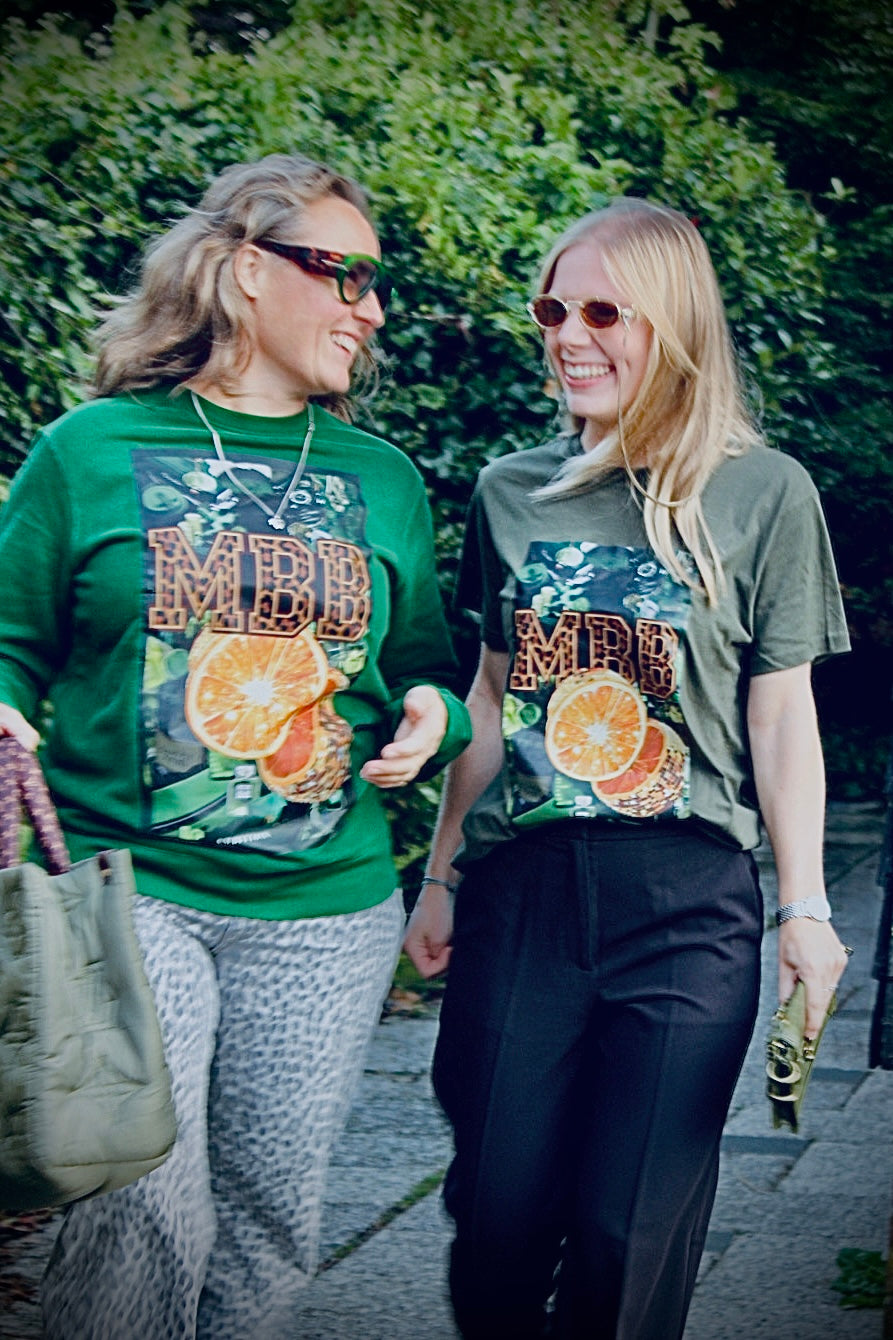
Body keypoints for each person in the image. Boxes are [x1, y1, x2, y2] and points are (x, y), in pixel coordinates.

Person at [0, 151, 471, 1339]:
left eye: (373, 283)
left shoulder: (382, 479)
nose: (371, 308)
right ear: (247, 270)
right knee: (140, 1204)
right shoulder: (88, 449)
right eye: (345, 275)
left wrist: (433, 714)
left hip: (326, 908)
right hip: (131, 890)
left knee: (270, 1221)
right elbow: (10, 639)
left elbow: (424, 662)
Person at [405, 197, 851, 1340]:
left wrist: (804, 907)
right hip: (522, 898)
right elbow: (490, 698)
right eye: (552, 310)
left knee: (627, 1230)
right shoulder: (509, 490)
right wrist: (440, 877)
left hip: (685, 902)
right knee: (495, 1214)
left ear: (673, 322)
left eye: (603, 312)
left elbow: (780, 715)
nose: (568, 335)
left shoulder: (764, 493)